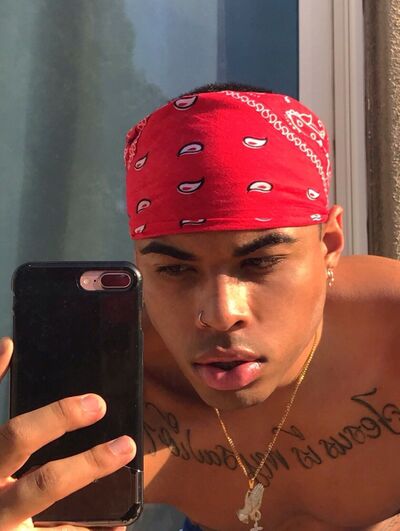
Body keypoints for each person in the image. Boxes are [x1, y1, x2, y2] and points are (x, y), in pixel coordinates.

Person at [0, 83, 399, 531]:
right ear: (140, 267)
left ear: (330, 245)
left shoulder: (392, 334)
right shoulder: (110, 388)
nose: (221, 313)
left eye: (260, 262)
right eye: (174, 269)